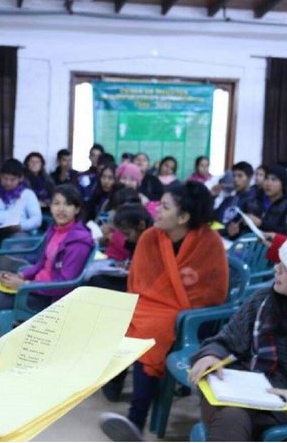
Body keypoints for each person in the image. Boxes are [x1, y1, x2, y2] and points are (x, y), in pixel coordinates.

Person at [100, 181, 229, 438]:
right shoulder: (150, 237)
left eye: (165, 207)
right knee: (120, 316)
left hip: (190, 315)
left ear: (183, 217)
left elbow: (214, 292)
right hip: (149, 303)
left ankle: (136, 419)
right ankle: (112, 386)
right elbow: (137, 282)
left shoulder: (210, 242)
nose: (156, 210)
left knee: (151, 330)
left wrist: (176, 307)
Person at [189, 229, 287, 441]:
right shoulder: (264, 300)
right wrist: (211, 356)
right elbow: (226, 340)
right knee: (229, 415)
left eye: (286, 267)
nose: (276, 269)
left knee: (231, 419)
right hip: (249, 389)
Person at [0, 185, 94, 358]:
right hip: (32, 287)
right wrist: (20, 276)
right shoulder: (56, 229)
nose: (61, 209)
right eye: (57, 203)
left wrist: (25, 284)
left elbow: (64, 285)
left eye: (68, 204)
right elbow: (41, 264)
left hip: (44, 296)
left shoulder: (78, 241)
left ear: (77, 208)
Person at [243, 164, 287, 236]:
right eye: (266, 179)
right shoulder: (253, 201)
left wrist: (261, 224)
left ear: (282, 184)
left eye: (274, 179)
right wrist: (237, 228)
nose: (268, 183)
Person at [214, 161, 256, 239]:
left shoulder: (253, 201)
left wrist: (221, 229)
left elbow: (241, 229)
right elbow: (213, 217)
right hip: (219, 238)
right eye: (234, 176)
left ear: (249, 178)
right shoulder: (230, 199)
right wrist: (212, 197)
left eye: (240, 176)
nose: (235, 179)